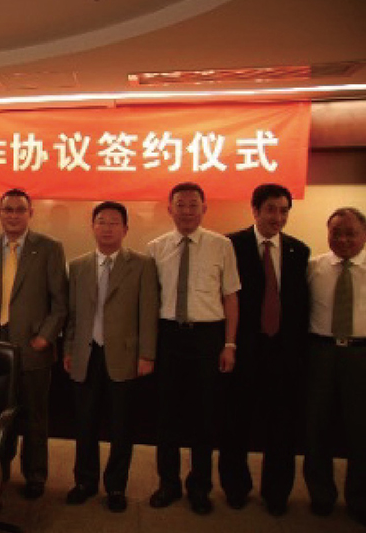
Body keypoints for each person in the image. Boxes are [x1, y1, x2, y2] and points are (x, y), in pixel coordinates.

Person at [146, 182, 240, 515]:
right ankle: (168, 483)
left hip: (207, 337)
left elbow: (230, 298)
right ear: (169, 209)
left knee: (205, 415)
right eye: (180, 205)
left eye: (193, 205)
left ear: (204, 208)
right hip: (168, 336)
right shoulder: (155, 248)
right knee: (166, 415)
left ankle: (200, 486)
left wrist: (229, 344)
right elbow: (149, 301)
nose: (187, 211)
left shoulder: (221, 245)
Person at [218, 184, 310, 516]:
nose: (278, 217)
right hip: (243, 349)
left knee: (281, 426)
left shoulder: (299, 251)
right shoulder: (230, 245)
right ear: (255, 210)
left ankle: (276, 493)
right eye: (271, 209)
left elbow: (300, 306)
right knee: (236, 422)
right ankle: (235, 487)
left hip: (283, 354)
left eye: (284, 211)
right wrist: (228, 344)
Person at [63, 201, 159, 512]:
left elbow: (148, 313)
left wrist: (147, 354)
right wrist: (68, 349)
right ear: (92, 227)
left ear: (125, 229)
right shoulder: (78, 266)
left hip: (125, 356)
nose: (107, 228)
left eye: (114, 222)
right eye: (101, 222)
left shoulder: (142, 265)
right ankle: (85, 481)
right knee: (84, 423)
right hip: (85, 354)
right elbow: (73, 315)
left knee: (122, 426)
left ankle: (116, 486)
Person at [0, 188, 68, 499]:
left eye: (19, 210)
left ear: (31, 213)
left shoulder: (49, 248)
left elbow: (60, 302)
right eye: (8, 210)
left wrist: (46, 336)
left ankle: (35, 475)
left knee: (34, 416)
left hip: (32, 345)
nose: (13, 215)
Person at [304, 207, 366, 524]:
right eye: (335, 233)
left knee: (361, 430)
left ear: (364, 235)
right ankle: (321, 495)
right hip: (321, 353)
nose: (342, 239)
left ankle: (360, 498)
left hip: (361, 354)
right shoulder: (313, 267)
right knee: (317, 427)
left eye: (350, 233)